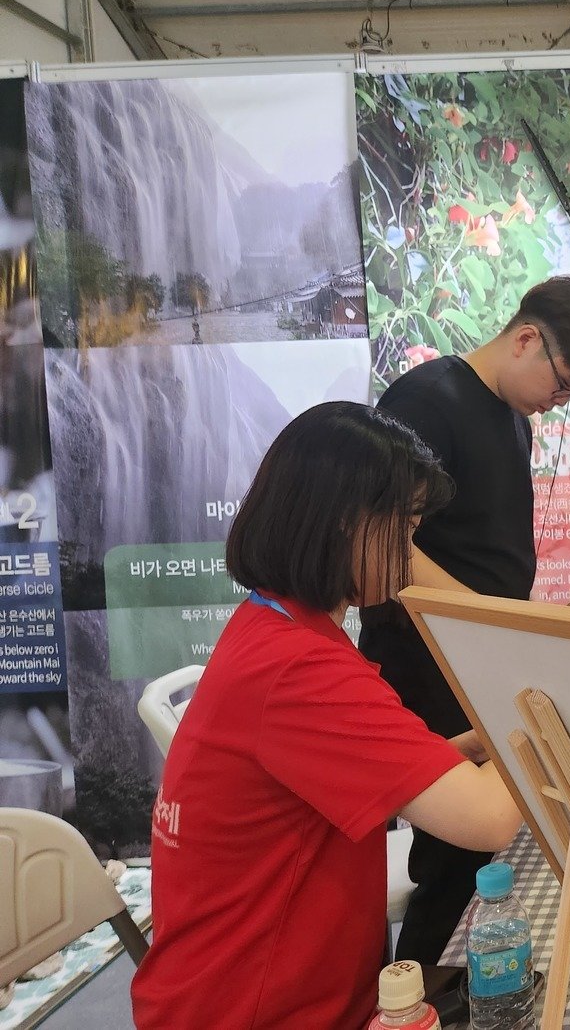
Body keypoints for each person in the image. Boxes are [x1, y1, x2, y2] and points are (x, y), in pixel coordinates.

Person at [131, 402, 524, 1029]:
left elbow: (332, 785)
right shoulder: (296, 668)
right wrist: (541, 713)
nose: (409, 554)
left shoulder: (275, 626)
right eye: (402, 531)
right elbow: (491, 819)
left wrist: (465, 750)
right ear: (343, 524)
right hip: (255, 1011)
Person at [359, 275, 570, 964]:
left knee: (486, 849)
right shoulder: (426, 401)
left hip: (475, 651)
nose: (559, 401)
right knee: (451, 848)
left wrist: (514, 626)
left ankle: (454, 980)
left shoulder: (511, 416)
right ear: (526, 338)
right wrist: (482, 619)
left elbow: (485, 547)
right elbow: (386, 540)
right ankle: (416, 991)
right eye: (563, 383)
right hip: (424, 658)